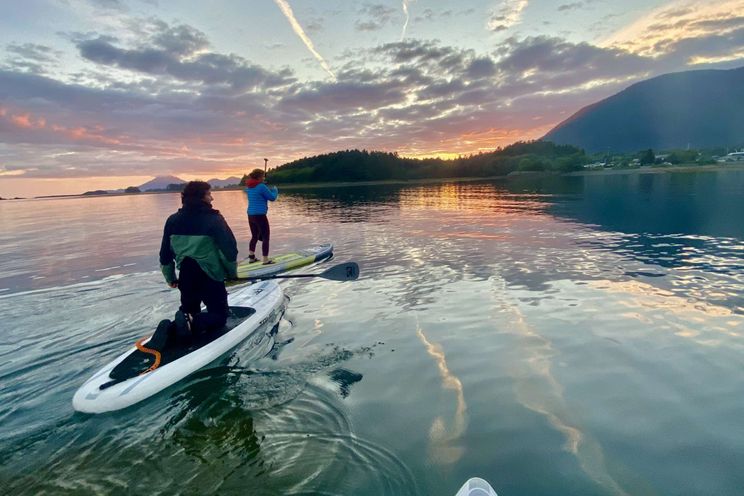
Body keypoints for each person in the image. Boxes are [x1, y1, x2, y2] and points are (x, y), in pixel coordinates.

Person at [159, 181, 238, 336]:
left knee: (189, 311)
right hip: (210, 276)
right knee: (220, 316)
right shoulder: (215, 220)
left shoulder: (172, 220)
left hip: (186, 276)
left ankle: (173, 327)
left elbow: (165, 254)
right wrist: (231, 274)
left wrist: (170, 278)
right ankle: (195, 322)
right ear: (201, 198)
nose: (212, 198)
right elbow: (229, 251)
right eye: (209, 194)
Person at [244, 168, 278, 264]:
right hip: (260, 215)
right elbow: (272, 198)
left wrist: (264, 186)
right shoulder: (261, 186)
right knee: (266, 237)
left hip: (250, 214)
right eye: (262, 176)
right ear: (259, 177)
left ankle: (251, 257)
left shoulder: (249, 187)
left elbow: (259, 194)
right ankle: (266, 260)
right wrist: (275, 190)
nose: (264, 178)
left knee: (254, 236)